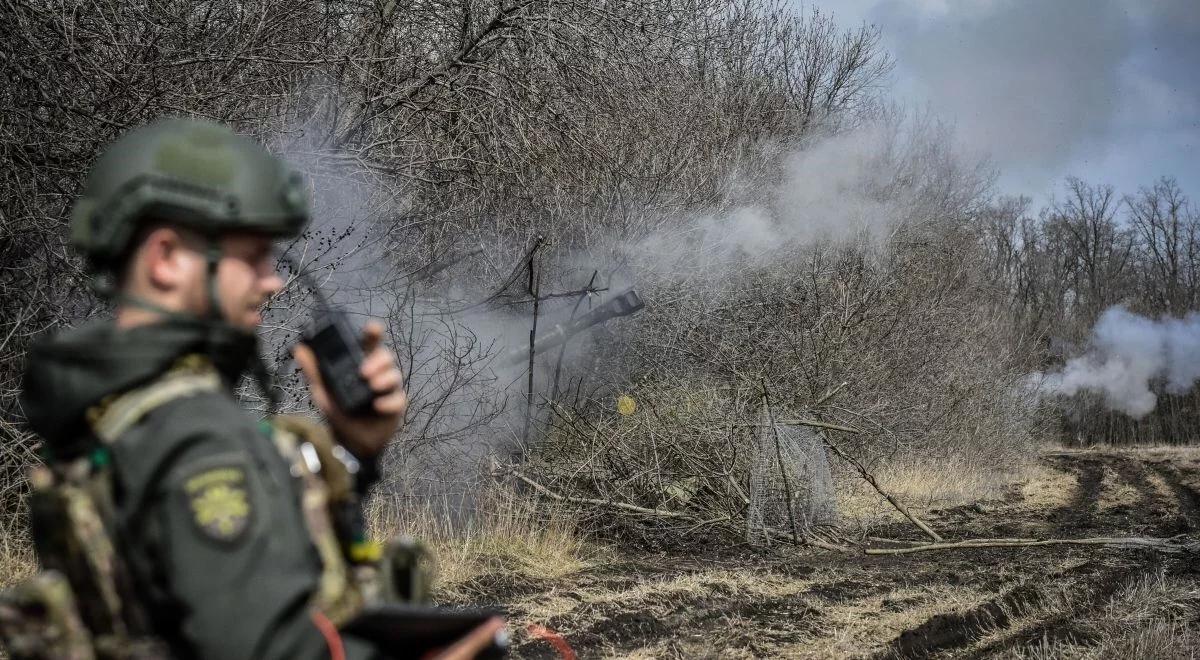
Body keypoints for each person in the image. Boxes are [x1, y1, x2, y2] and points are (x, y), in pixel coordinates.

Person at [15, 118, 503, 659]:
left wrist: (354, 450)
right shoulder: (196, 435)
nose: (273, 281)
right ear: (166, 259)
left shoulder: (105, 412)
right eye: (253, 257)